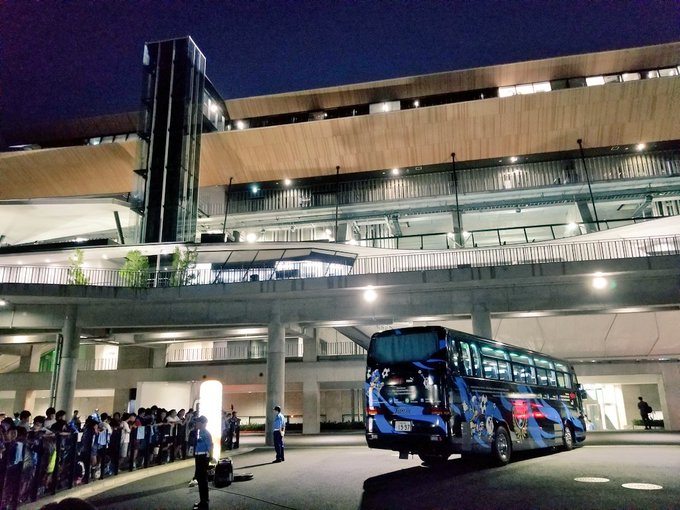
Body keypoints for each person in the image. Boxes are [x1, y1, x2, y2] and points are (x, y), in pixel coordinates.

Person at [191, 415, 212, 510]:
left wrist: (210, 457)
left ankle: (204, 503)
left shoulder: (205, 434)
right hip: (200, 457)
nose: (196, 424)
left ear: (203, 423)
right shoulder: (200, 432)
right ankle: (203, 501)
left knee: (202, 480)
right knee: (201, 479)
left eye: (198, 422)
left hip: (202, 457)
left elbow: (210, 446)